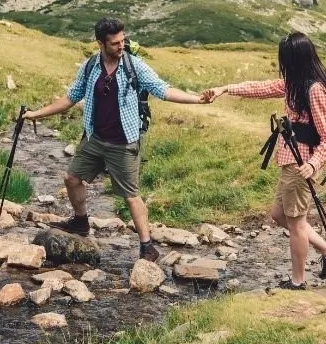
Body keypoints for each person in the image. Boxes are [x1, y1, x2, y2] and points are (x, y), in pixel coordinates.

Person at [23, 17, 211, 261]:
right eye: (114, 43)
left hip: (124, 141)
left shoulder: (134, 65)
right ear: (100, 43)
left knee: (131, 195)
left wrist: (197, 99)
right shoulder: (91, 66)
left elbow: (162, 89)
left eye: (123, 41)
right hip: (95, 137)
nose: (121, 46)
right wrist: (36, 114)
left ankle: (147, 246)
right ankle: (80, 222)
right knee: (71, 178)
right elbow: (70, 98)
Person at [205, 32, 326, 290]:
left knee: (296, 224)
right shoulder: (294, 83)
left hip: (301, 165)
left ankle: (298, 281)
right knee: (279, 215)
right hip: (289, 161)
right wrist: (226, 89)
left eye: (285, 60)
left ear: (296, 60)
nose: (283, 66)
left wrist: (313, 164)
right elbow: (261, 88)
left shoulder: (314, 90)